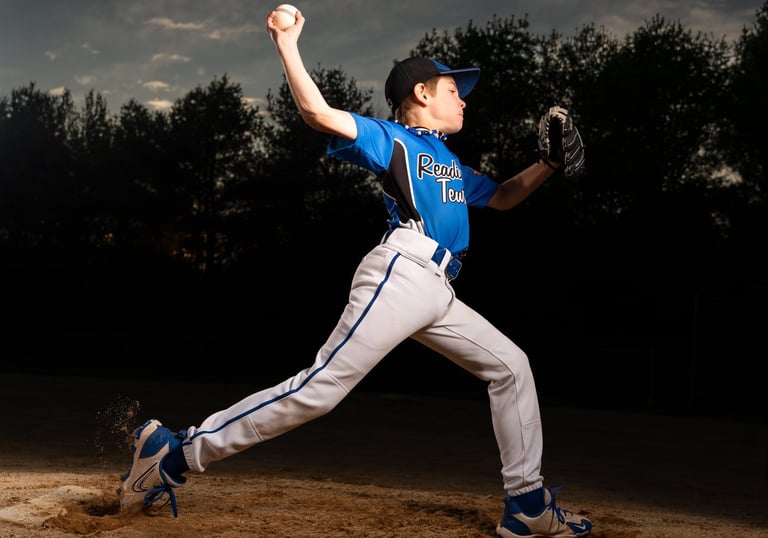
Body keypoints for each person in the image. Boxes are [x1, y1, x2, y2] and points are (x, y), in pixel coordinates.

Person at [118, 7, 592, 538]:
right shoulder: (392, 139)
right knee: (320, 389)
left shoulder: (452, 164)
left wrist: (547, 165)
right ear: (421, 93)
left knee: (511, 367)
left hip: (438, 289)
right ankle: (174, 454)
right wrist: (287, 43)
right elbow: (317, 113)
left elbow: (502, 197)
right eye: (452, 89)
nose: (462, 98)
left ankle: (526, 503)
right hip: (402, 272)